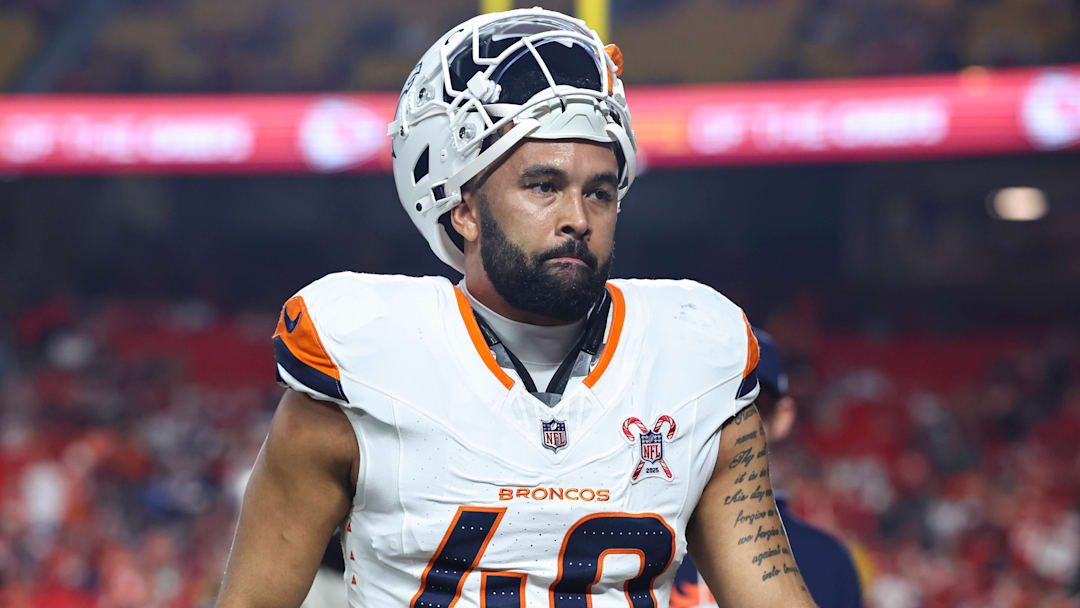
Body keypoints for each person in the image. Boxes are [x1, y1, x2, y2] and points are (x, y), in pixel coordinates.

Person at [214, 8, 816, 607]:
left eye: (599, 193)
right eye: (543, 186)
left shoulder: (696, 358)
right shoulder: (359, 369)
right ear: (464, 210)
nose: (578, 219)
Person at [670, 330, 863, 608]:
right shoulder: (640, 540)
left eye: (751, 406)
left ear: (782, 418)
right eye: (710, 402)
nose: (731, 423)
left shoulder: (827, 562)